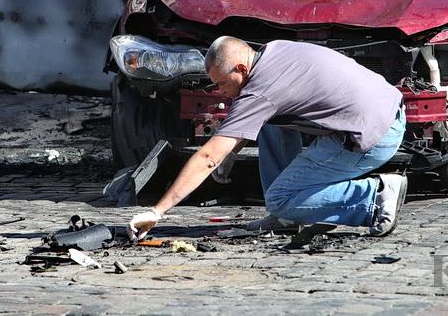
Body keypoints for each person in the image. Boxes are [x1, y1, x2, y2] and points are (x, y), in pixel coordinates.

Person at [127, 36, 408, 241]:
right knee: (270, 123)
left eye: (222, 83)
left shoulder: (260, 91)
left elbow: (209, 157)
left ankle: (373, 197)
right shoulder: (273, 51)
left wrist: (157, 211)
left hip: (373, 136)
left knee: (280, 198)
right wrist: (232, 151)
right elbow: (255, 117)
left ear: (241, 69)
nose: (220, 91)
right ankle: (286, 218)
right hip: (385, 111)